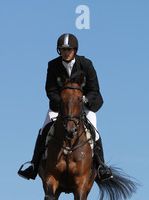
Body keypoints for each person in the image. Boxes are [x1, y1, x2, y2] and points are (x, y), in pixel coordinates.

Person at [18, 33, 113, 182]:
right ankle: (33, 165)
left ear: (75, 50)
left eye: (68, 50)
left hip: (83, 106)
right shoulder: (53, 65)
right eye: (62, 50)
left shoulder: (86, 64)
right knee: (44, 129)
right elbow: (50, 89)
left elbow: (94, 89)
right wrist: (61, 102)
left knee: (94, 130)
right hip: (60, 107)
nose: (65, 53)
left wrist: (84, 100)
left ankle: (101, 166)